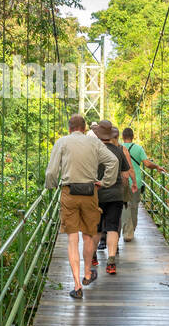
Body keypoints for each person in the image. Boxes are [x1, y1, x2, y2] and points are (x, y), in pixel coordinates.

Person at [44, 113, 119, 299]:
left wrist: (52, 186)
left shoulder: (61, 142)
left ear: (69, 128)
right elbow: (113, 161)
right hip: (90, 192)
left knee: (72, 240)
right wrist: (105, 182)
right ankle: (87, 273)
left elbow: (52, 171)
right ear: (84, 129)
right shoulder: (94, 143)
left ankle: (77, 285)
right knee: (87, 236)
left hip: (69, 193)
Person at [92, 121, 131, 274]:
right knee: (113, 227)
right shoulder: (119, 150)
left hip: (97, 194)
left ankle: (93, 256)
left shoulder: (93, 150)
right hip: (116, 195)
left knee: (96, 228)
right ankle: (111, 262)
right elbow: (125, 173)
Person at [121, 127, 159, 242]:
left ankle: (127, 231)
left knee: (124, 206)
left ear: (122, 137)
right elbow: (147, 164)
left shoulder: (119, 148)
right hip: (136, 182)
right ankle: (132, 230)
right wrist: (157, 167)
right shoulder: (138, 148)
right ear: (132, 137)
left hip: (123, 181)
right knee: (134, 206)